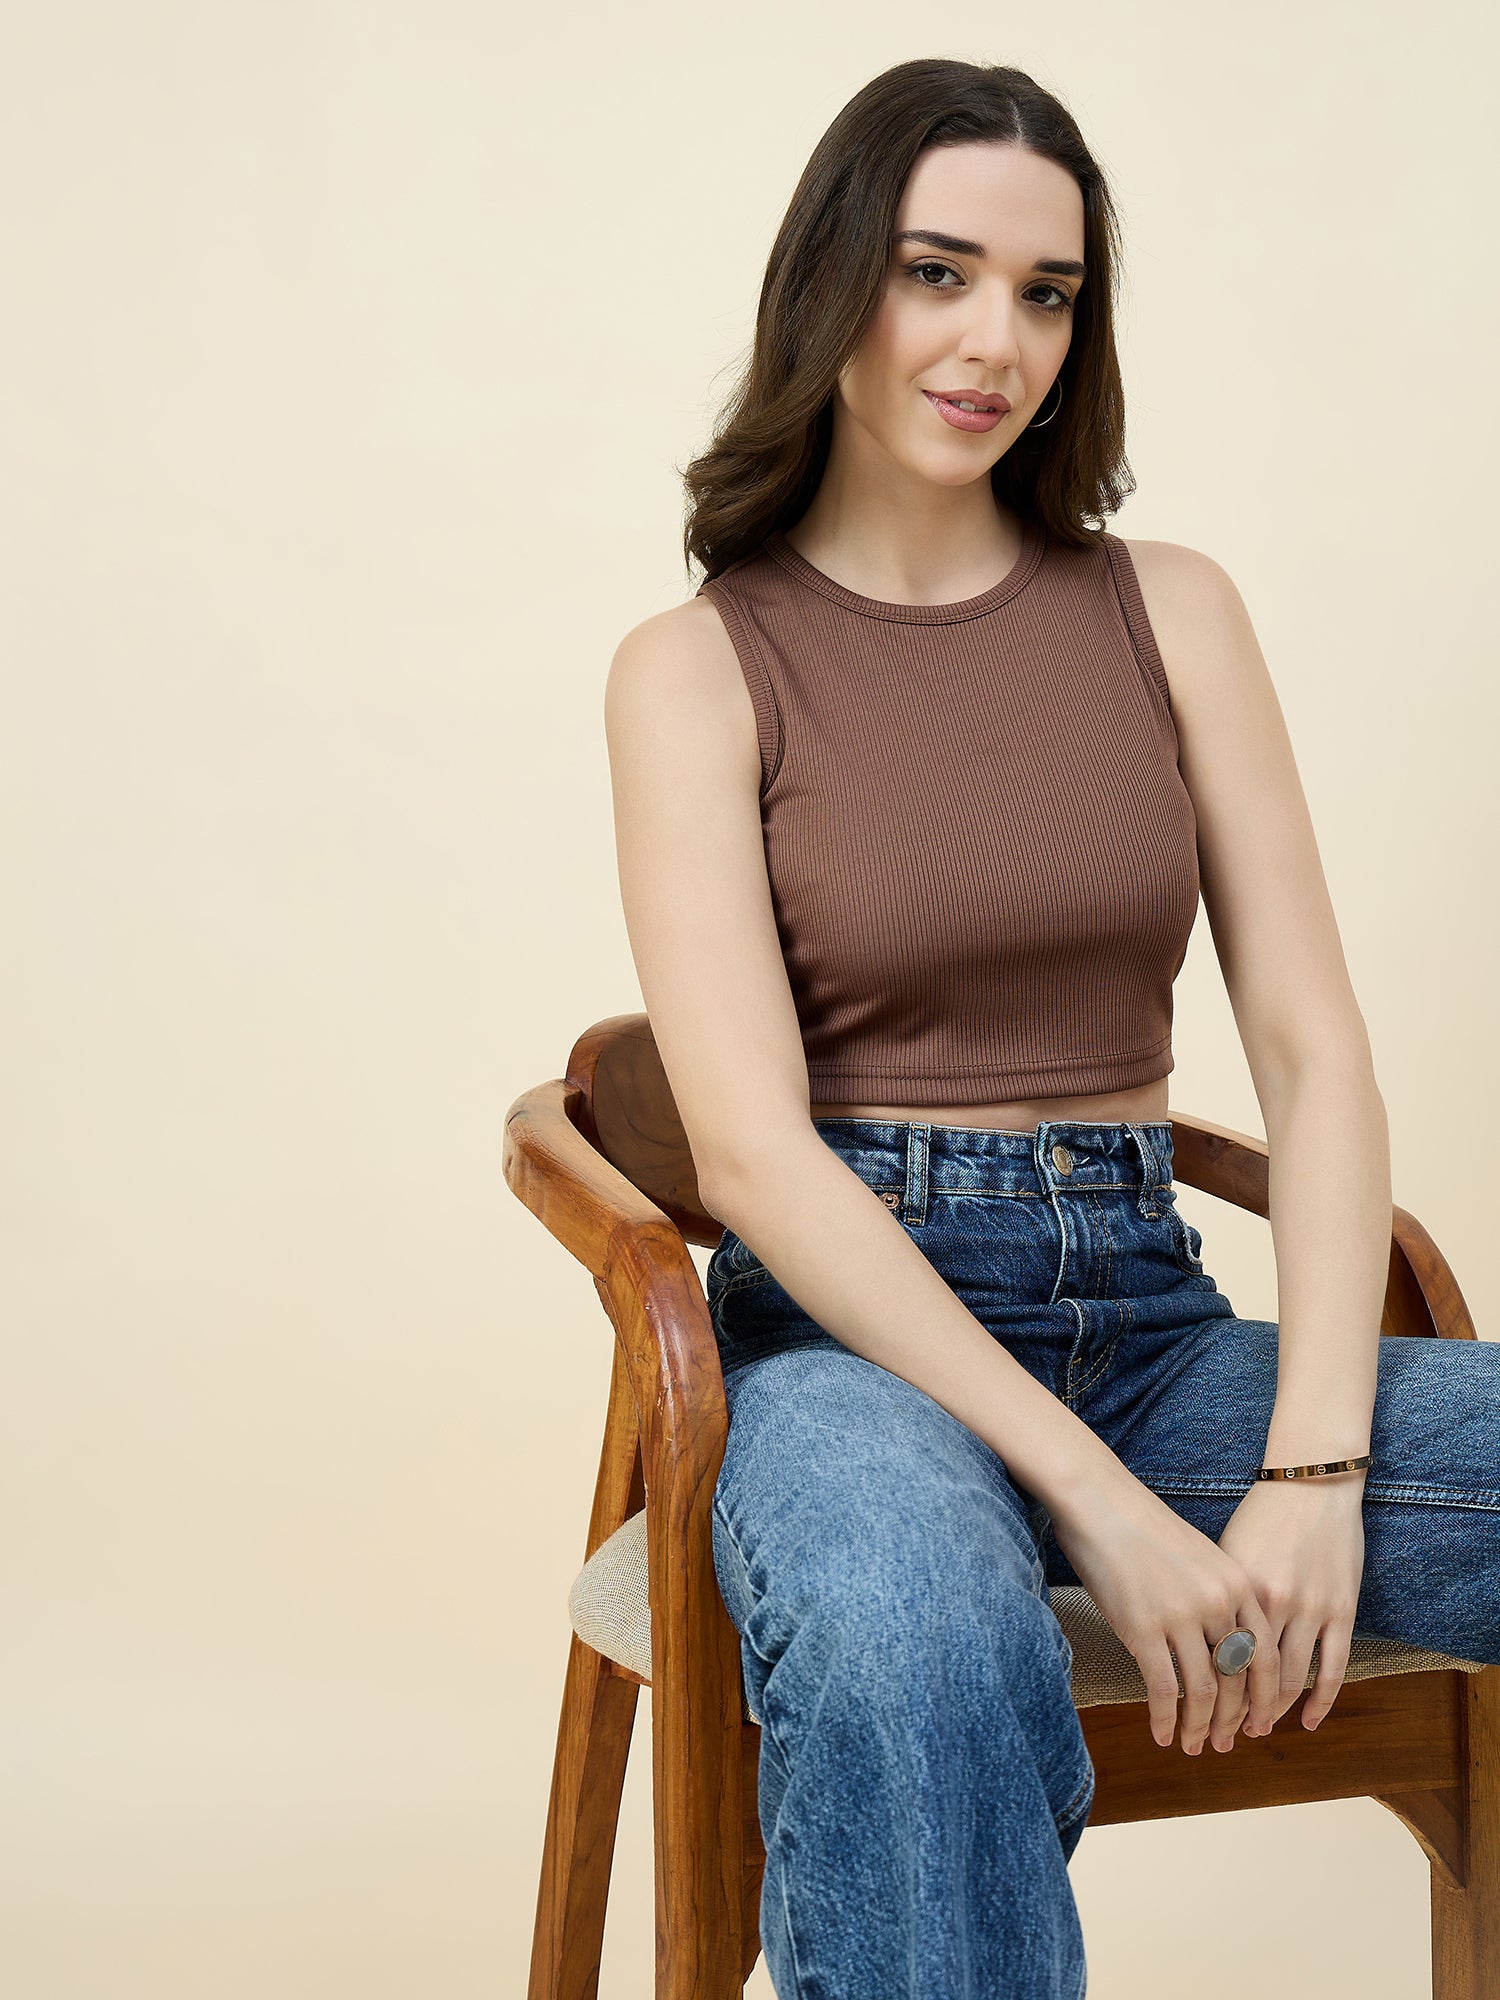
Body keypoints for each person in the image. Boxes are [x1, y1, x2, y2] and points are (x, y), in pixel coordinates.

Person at [602, 56, 1500, 2000]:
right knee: (915, 1634)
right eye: (938, 272)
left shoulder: (1171, 610)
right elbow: (750, 1152)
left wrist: (1316, 1469)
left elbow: (1317, 1053)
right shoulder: (697, 671)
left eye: (1047, 291)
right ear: (836, 284)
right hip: (853, 1350)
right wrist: (1088, 1497)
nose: (991, 338)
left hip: (1159, 1334)